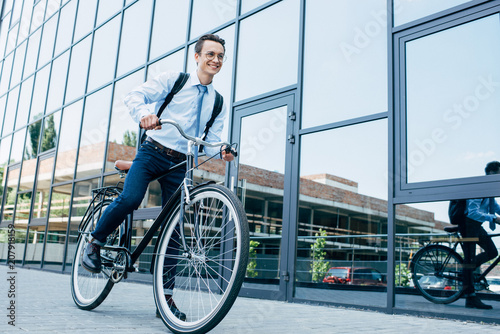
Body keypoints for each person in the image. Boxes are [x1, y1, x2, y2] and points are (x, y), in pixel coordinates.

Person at [81, 34, 234, 319]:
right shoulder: (175, 80)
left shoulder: (218, 102)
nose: (216, 60)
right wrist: (144, 115)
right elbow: (134, 96)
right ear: (197, 57)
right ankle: (95, 242)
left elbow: (211, 138)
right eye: (211, 54)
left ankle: (165, 298)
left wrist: (221, 148)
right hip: (153, 152)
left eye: (221, 56)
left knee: (175, 230)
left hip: (180, 164)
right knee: (131, 199)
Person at [460, 161, 500, 309]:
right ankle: (470, 298)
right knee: (469, 261)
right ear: (491, 173)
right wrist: (494, 218)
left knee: (492, 252)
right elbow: (472, 212)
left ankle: (466, 273)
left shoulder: (488, 189)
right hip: (468, 224)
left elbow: (494, 207)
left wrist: (496, 215)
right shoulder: (479, 187)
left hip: (476, 225)